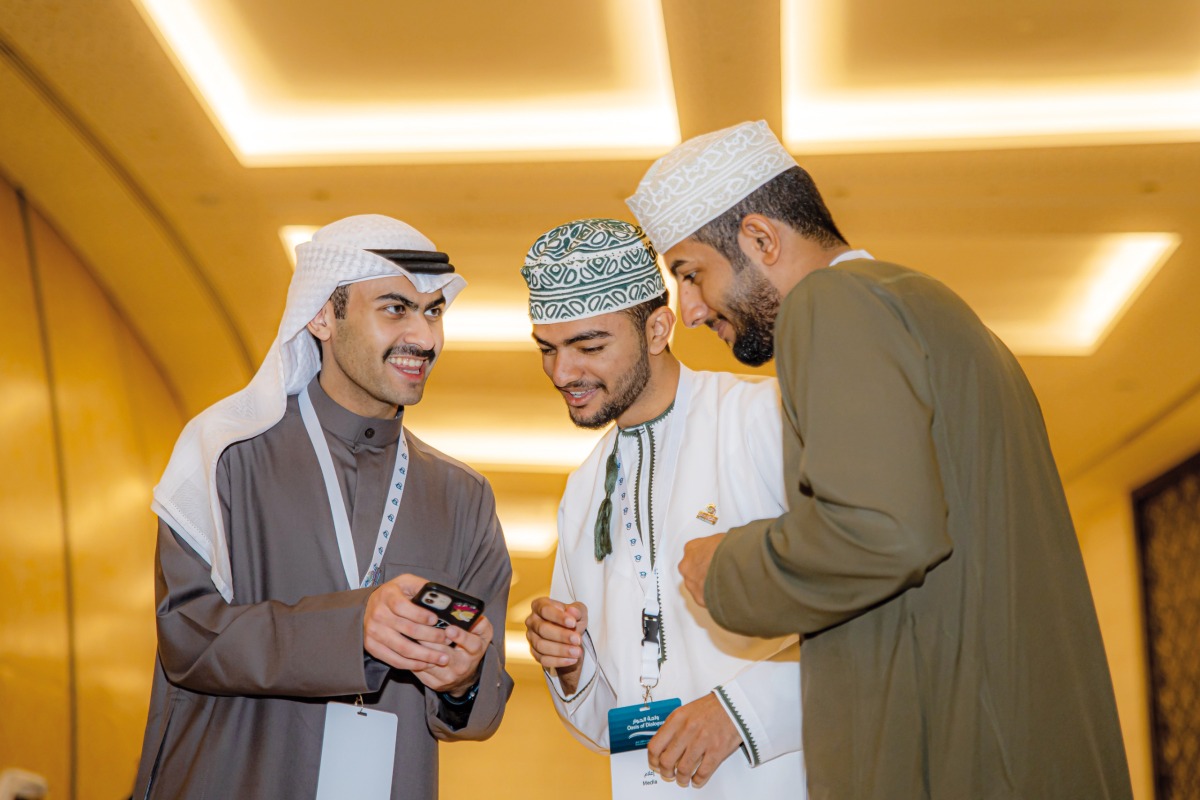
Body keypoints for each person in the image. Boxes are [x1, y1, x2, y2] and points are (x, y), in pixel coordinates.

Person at [626, 121, 1134, 799]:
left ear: (760, 239)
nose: (688, 310)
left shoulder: (834, 305)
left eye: (692, 274)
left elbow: (882, 531)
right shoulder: (925, 303)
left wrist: (727, 568)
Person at [133, 214, 513, 800]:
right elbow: (186, 638)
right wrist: (348, 628)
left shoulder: (463, 496)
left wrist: (462, 681)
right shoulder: (224, 452)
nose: (426, 338)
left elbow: (481, 709)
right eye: (395, 308)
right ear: (321, 316)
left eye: (434, 311)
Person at [520, 218, 805, 795]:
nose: (562, 373)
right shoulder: (583, 488)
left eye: (589, 346)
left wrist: (741, 711)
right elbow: (608, 720)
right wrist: (571, 668)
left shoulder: (763, 420)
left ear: (658, 328)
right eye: (547, 350)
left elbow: (874, 613)